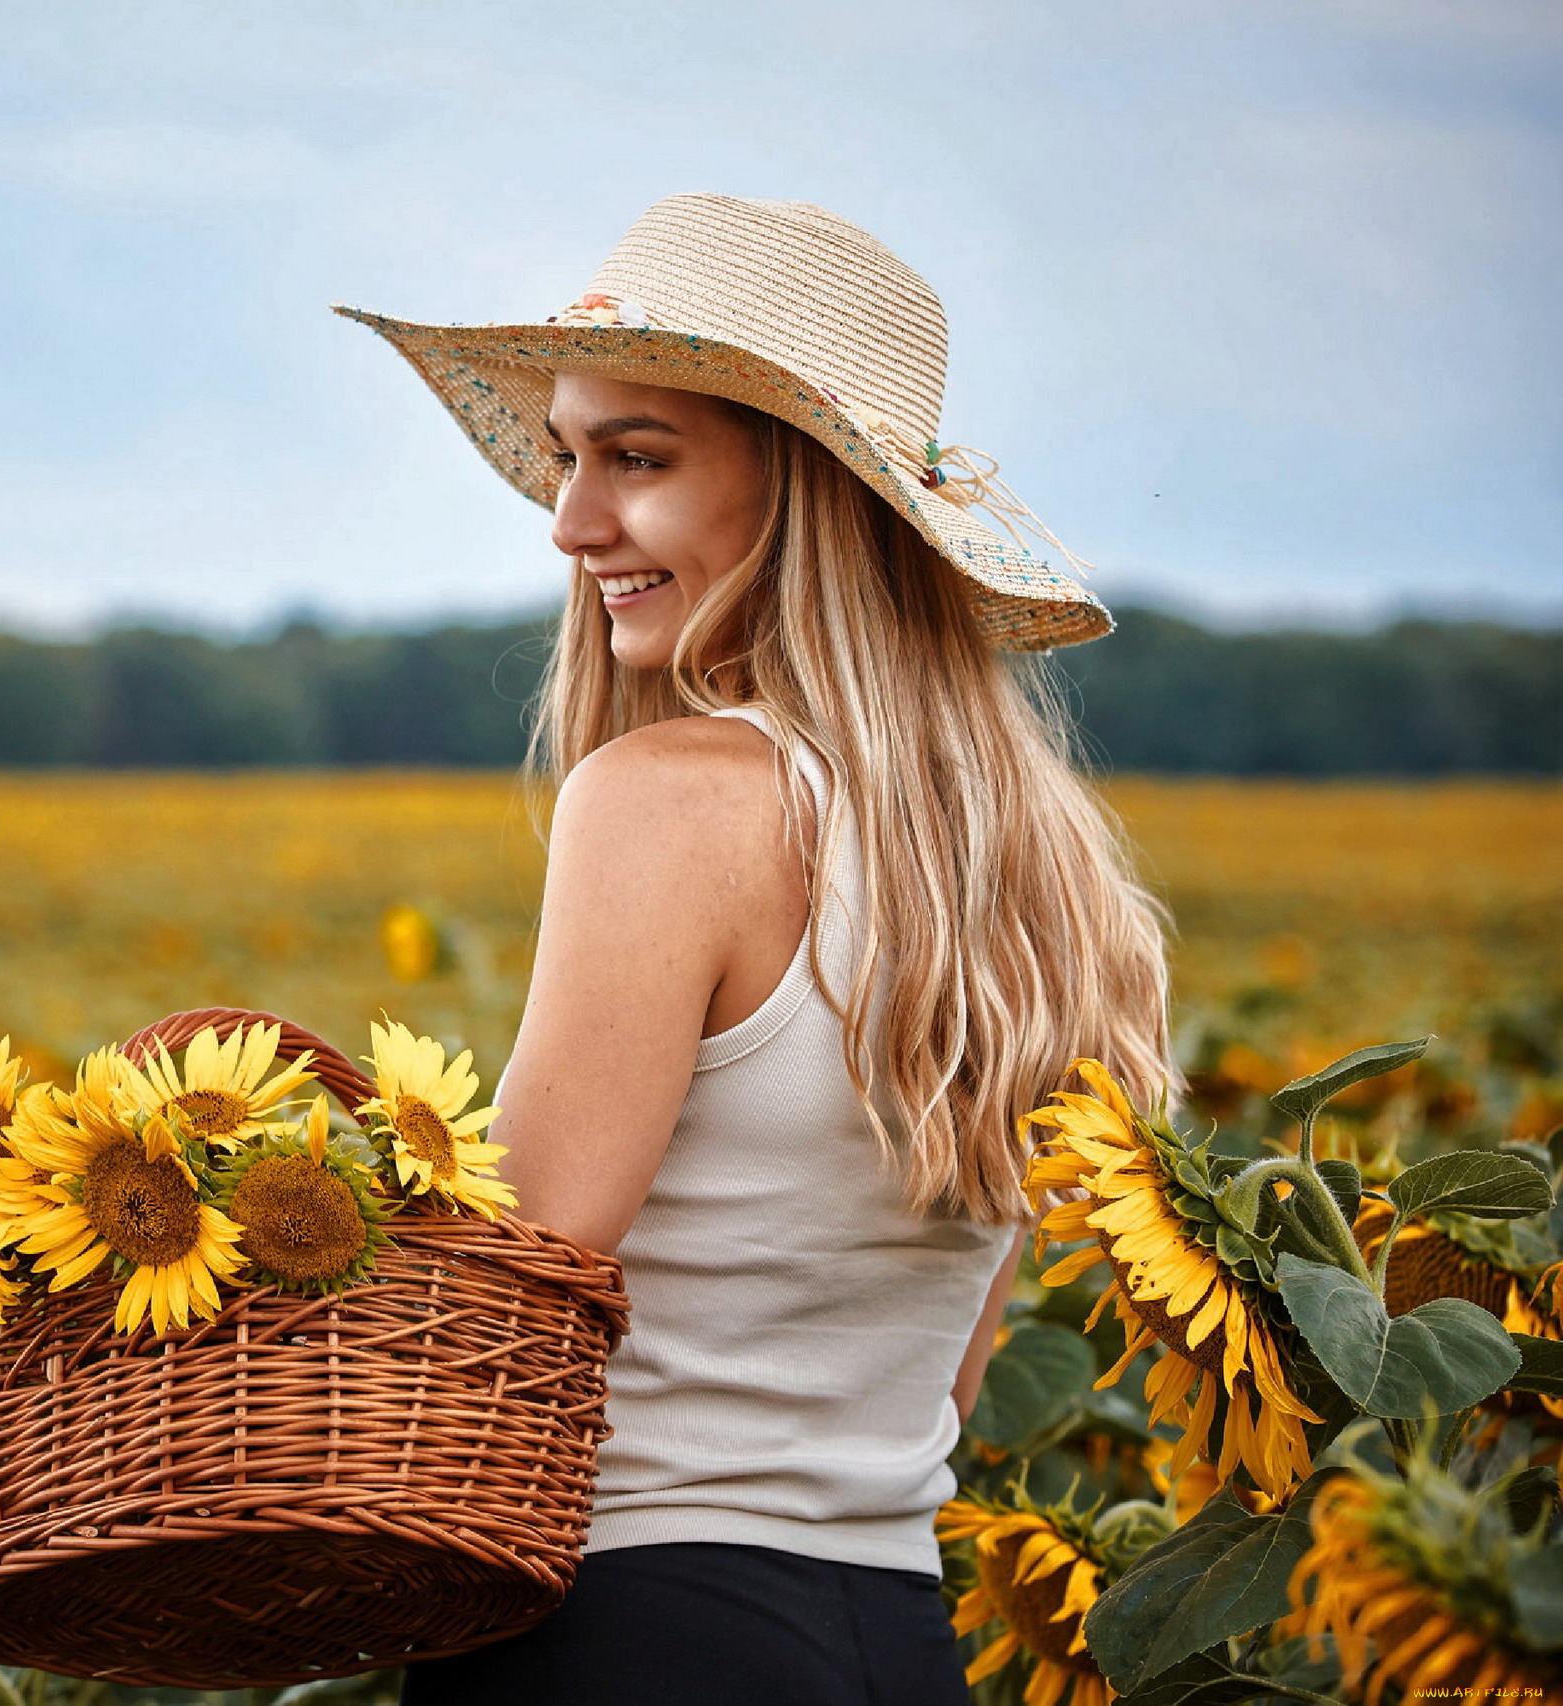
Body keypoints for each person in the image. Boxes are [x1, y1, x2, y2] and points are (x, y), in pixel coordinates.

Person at [337, 195, 1174, 1704]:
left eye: (636, 457)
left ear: (801, 489)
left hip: (622, 1624)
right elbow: (955, 1375)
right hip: (890, 1634)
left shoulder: (664, 806)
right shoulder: (1053, 884)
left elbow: (519, 1276)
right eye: (567, 453)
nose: (570, 519)